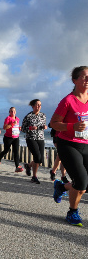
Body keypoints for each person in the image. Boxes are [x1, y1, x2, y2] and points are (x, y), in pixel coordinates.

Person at [50, 66, 88, 227]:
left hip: (85, 143)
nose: (87, 80)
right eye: (84, 77)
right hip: (68, 144)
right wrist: (72, 126)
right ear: (75, 80)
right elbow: (54, 123)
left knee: (86, 184)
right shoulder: (68, 101)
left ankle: (61, 187)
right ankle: (72, 212)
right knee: (81, 181)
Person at [21, 99, 47, 184]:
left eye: (40, 105)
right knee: (37, 157)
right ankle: (34, 176)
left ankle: (28, 166)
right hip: (31, 138)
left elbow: (43, 125)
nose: (39, 106)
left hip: (40, 138)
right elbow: (23, 129)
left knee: (40, 159)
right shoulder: (28, 116)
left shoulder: (43, 115)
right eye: (37, 105)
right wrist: (30, 128)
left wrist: (44, 127)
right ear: (33, 106)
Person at [0, 107, 24, 173]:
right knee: (6, 150)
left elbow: (16, 127)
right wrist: (12, 124)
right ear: (9, 112)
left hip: (16, 137)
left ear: (16, 112)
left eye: (14, 111)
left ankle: (17, 167)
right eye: (11, 111)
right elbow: (5, 127)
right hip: (8, 137)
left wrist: (19, 128)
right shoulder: (8, 118)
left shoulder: (18, 119)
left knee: (16, 151)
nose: (13, 112)